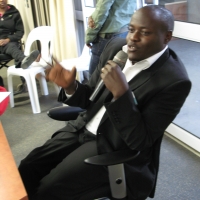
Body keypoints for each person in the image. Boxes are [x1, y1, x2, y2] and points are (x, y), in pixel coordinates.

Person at [18, 5, 191, 200]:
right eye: (132, 29)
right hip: (82, 127)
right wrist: (71, 87)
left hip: (111, 143)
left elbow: (140, 140)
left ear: (167, 37)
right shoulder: (116, 48)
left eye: (145, 32)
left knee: (49, 190)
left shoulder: (174, 81)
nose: (132, 38)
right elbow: (90, 96)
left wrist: (122, 95)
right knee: (27, 168)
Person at [86, 0, 137, 76]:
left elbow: (101, 11)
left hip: (108, 35)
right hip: (125, 31)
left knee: (94, 78)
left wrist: (89, 36)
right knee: (116, 75)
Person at [0, 0, 40, 94]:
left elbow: (20, 32)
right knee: (17, 52)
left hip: (9, 42)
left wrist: (8, 39)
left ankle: (25, 61)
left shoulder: (14, 12)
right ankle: (1, 88)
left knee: (13, 49)